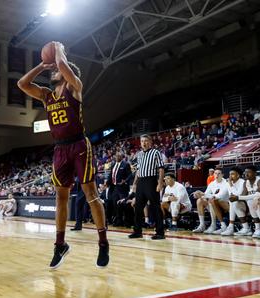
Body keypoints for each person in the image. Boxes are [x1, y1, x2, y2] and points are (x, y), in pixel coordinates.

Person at [17, 41, 109, 269]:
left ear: (67, 73)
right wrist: (41, 65)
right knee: (60, 197)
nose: (55, 71)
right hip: (59, 149)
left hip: (79, 146)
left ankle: (103, 242)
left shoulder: (75, 86)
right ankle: (60, 244)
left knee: (91, 193)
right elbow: (22, 83)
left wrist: (58, 49)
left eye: (58, 69)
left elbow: (61, 64)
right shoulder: (47, 95)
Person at [129, 134, 166, 240]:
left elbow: (161, 168)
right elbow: (138, 170)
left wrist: (159, 183)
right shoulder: (139, 154)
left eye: (146, 141)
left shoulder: (156, 152)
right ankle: (137, 231)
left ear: (150, 142)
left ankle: (160, 232)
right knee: (138, 207)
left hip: (151, 180)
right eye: (142, 141)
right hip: (141, 181)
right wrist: (135, 184)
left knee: (155, 206)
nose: (143, 143)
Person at [192, 168, 229, 234]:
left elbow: (219, 196)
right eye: (215, 173)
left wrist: (204, 194)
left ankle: (213, 225)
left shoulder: (226, 183)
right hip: (213, 204)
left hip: (224, 205)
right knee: (199, 200)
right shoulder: (212, 183)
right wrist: (199, 195)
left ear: (222, 175)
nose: (217, 175)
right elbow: (205, 195)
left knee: (212, 200)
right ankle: (202, 225)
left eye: (219, 173)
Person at [238, 166, 260, 237]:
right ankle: (252, 228)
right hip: (254, 206)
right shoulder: (246, 182)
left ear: (255, 173)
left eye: (248, 172)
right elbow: (243, 195)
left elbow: (257, 195)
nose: (246, 174)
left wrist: (238, 197)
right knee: (236, 203)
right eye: (245, 172)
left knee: (252, 200)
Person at [219, 167, 245, 236]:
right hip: (235, 205)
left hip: (245, 204)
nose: (230, 176)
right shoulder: (228, 184)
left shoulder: (242, 182)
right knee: (231, 201)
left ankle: (233, 227)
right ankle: (230, 226)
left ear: (238, 175)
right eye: (230, 174)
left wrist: (230, 185)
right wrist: (206, 195)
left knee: (233, 200)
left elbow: (238, 195)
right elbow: (222, 195)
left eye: (232, 174)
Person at [111, 153, 132, 227]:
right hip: (115, 187)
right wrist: (106, 183)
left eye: (118, 156)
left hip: (123, 188)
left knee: (124, 205)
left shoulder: (126, 164)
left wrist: (125, 181)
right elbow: (111, 175)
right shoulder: (113, 164)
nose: (117, 157)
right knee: (116, 204)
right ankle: (119, 221)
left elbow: (130, 175)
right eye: (116, 156)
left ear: (122, 157)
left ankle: (127, 222)